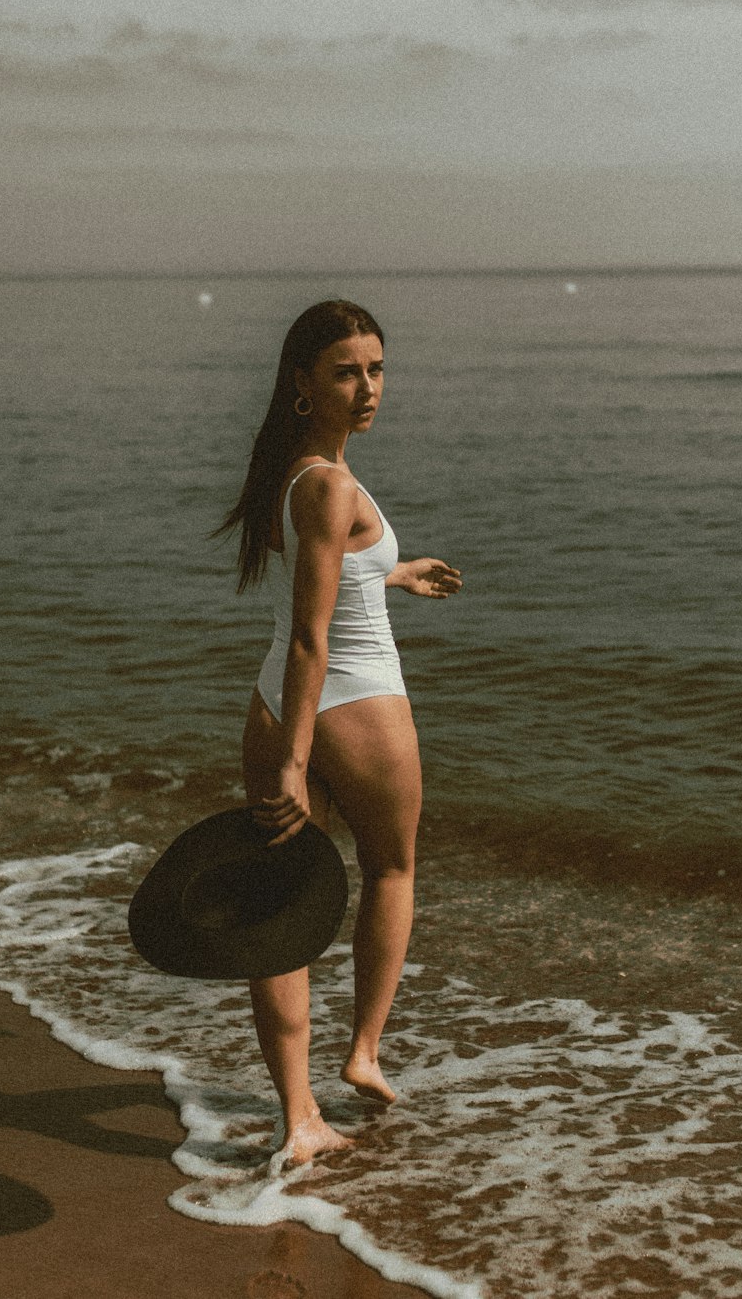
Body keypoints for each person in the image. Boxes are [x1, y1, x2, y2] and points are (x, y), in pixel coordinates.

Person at [218, 299, 462, 1164]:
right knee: (390, 868)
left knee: (278, 911)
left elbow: (321, 590)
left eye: (376, 370)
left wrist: (391, 572)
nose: (367, 388)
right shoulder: (331, 482)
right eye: (347, 372)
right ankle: (363, 1050)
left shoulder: (293, 473)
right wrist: (297, 761)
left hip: (275, 700)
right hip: (355, 704)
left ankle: (301, 1120)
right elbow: (318, 636)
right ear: (303, 384)